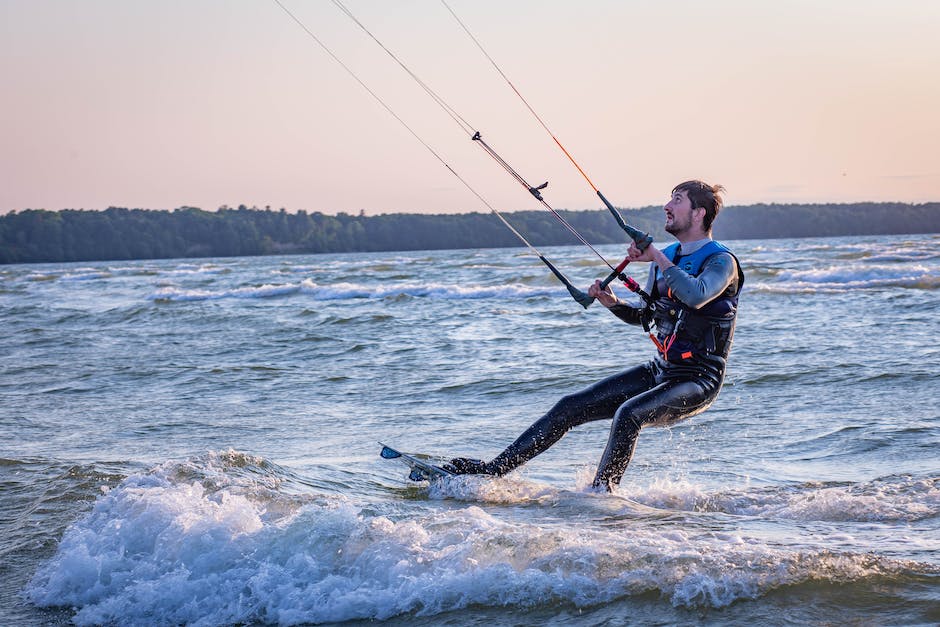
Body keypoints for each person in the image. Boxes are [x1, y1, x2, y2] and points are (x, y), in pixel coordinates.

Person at [445, 180, 744, 491]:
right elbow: (646, 316)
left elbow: (696, 296)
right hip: (662, 371)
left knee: (628, 415)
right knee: (569, 406)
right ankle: (493, 471)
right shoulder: (667, 256)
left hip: (698, 380)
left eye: (677, 200)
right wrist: (612, 303)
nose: (667, 207)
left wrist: (656, 256)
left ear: (699, 213)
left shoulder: (721, 261)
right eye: (669, 199)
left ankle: (602, 494)